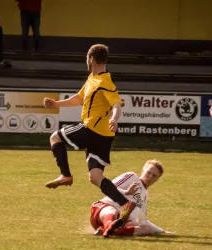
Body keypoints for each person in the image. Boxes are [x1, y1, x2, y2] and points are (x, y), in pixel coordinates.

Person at [43, 44, 135, 220]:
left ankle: (66, 175)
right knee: (95, 177)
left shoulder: (105, 83)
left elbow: (116, 104)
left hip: (92, 128)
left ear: (91, 59)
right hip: (104, 137)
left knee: (55, 137)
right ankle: (125, 203)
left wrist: (114, 119)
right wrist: (56, 104)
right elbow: (79, 98)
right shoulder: (92, 79)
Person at [89, 160, 171, 238]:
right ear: (143, 171)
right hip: (103, 210)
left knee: (147, 229)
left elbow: (143, 220)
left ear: (157, 179)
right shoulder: (131, 176)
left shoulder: (145, 195)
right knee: (112, 210)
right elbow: (107, 187)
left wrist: (162, 231)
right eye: (148, 173)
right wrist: (126, 192)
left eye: (154, 176)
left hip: (120, 220)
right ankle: (109, 226)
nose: (150, 176)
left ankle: (107, 229)